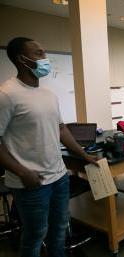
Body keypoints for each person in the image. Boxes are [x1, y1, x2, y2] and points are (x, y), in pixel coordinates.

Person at [0, 37, 99, 257]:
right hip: (32, 183)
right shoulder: (7, 94)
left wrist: (84, 155)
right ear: (22, 59)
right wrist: (22, 171)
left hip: (59, 176)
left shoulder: (48, 94)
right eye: (38, 53)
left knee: (59, 231)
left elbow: (61, 130)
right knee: (35, 235)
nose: (45, 59)